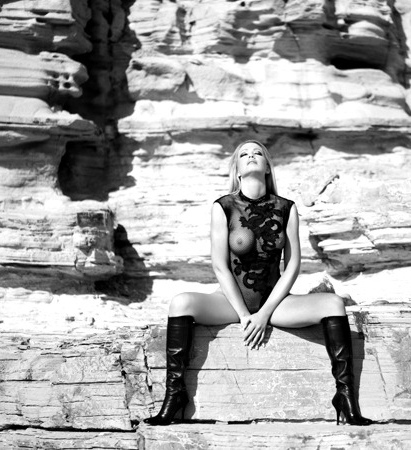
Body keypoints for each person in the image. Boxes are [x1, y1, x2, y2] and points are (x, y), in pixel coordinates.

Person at [144, 140, 372, 426]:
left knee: (334, 303)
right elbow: (219, 266)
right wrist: (244, 315)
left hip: (275, 304)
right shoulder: (223, 207)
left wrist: (264, 314)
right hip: (231, 301)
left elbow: (292, 266)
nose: (251, 156)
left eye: (257, 153)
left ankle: (345, 397)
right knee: (180, 302)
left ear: (266, 167)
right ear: (237, 170)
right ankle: (175, 395)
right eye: (244, 154)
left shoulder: (287, 208)